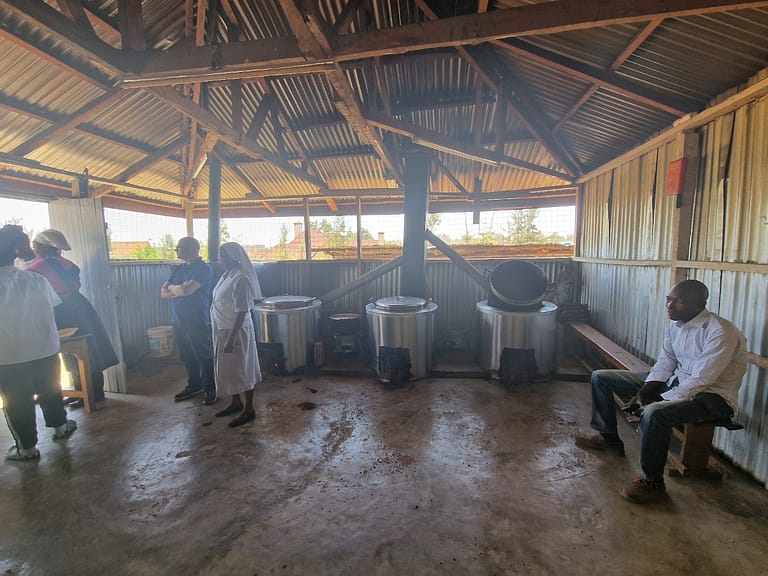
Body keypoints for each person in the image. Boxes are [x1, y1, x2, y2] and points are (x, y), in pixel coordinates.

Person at [575, 279, 748, 504]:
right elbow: (666, 362)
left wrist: (656, 400)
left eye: (679, 301)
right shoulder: (676, 325)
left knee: (655, 413)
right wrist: (644, 392)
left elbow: (702, 379)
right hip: (678, 383)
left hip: (712, 396)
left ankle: (652, 483)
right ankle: (608, 437)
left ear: (700, 304)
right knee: (601, 377)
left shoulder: (720, 331)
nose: (670, 305)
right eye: (669, 299)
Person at [0, 228, 77, 461]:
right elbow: (53, 307)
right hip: (45, 347)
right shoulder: (37, 280)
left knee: (17, 401)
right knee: (50, 388)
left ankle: (27, 449)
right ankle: (60, 428)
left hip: (9, 355)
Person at [26, 229, 119, 404]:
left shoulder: (38, 267)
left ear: (43, 247)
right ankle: (91, 392)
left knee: (71, 352)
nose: (33, 248)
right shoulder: (66, 263)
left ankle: (84, 393)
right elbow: (74, 285)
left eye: (35, 245)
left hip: (62, 310)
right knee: (88, 350)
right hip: (79, 307)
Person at [210, 242, 262, 428]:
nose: (220, 260)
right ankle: (235, 402)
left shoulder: (241, 279)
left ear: (234, 257)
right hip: (222, 328)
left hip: (236, 330)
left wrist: (232, 338)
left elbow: (242, 310)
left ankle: (249, 408)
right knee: (228, 368)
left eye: (224, 256)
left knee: (243, 368)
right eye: (220, 256)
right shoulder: (226, 275)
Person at [161, 237, 216, 404]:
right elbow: (163, 292)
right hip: (178, 319)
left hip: (196, 319)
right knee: (187, 355)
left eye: (178, 247)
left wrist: (174, 288)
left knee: (203, 354)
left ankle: (210, 387)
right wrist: (177, 288)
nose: (176, 250)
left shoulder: (203, 269)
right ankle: (194, 384)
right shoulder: (178, 269)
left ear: (189, 249)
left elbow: (186, 291)